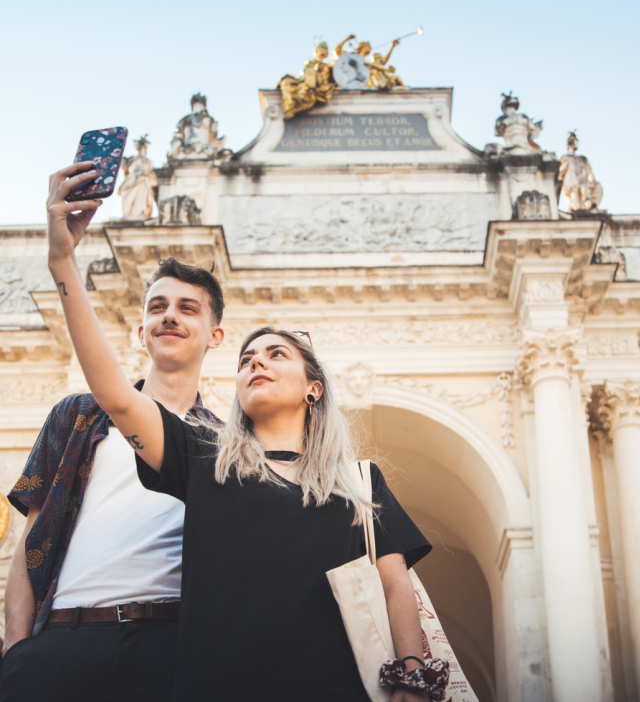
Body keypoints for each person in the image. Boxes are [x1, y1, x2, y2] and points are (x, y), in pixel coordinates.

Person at [41, 160, 442, 702]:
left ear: (314, 387)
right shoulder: (202, 455)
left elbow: (396, 584)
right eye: (247, 358)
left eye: (277, 354)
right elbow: (115, 395)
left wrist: (413, 680)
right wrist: (63, 260)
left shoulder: (360, 482)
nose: (257, 363)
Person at [1, 161, 225, 702]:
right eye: (158, 306)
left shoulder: (228, 444)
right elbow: (31, 537)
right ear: (139, 330)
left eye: (188, 308)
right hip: (64, 640)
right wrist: (15, 647)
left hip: (171, 646)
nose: (170, 316)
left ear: (215, 336)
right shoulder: (77, 415)